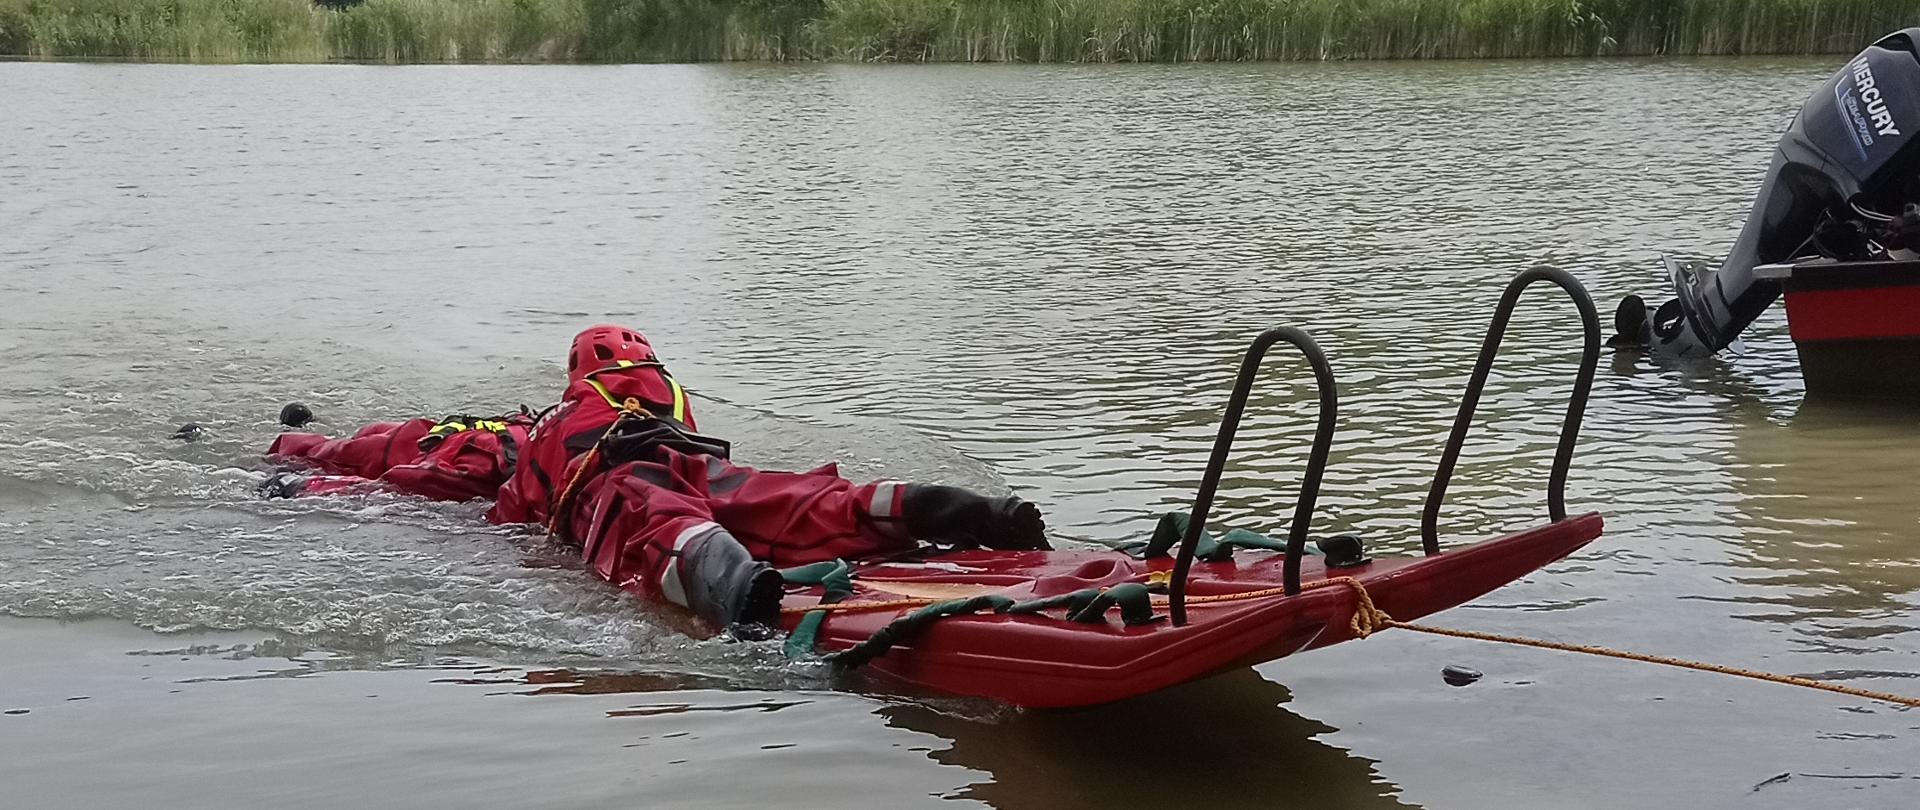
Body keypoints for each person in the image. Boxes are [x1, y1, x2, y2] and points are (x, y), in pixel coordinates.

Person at [263, 324, 1048, 636]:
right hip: (697, 460)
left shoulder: (540, 427)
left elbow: (427, 485)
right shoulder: (665, 395)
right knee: (796, 499)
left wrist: (308, 488)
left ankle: (732, 588)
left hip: (618, 475)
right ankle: (961, 511)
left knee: (653, 519)